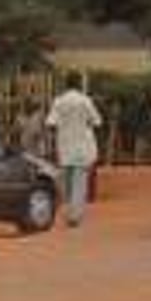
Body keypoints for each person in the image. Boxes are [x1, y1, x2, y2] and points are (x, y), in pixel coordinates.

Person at [46, 72, 103, 227]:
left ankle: (68, 212)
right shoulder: (85, 101)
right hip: (83, 147)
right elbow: (97, 122)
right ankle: (75, 216)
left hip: (64, 146)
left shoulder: (59, 101)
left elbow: (50, 123)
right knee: (80, 182)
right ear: (79, 84)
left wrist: (58, 134)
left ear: (65, 83)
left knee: (66, 184)